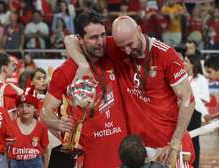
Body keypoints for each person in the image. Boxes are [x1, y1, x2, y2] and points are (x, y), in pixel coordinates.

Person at [65, 14, 195, 167]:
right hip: (138, 150)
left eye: (130, 44)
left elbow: (188, 99)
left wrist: (174, 143)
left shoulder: (165, 55)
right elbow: (70, 40)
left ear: (139, 30)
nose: (127, 51)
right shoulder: (117, 47)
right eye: (122, 47)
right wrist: (83, 65)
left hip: (167, 145)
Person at [40, 10, 128, 168]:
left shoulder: (112, 56)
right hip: (87, 160)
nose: (101, 41)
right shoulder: (65, 71)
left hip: (120, 158)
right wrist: (59, 125)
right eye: (94, 38)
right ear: (80, 39)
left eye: (103, 35)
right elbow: (45, 111)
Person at [8, 89, 49, 168]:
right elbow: (6, 150)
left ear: (35, 108)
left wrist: (45, 166)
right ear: (17, 109)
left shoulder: (42, 127)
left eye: (28, 106)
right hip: (15, 162)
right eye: (21, 106)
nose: (24, 109)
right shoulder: (10, 126)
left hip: (35, 162)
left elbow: (45, 151)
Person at [183, 55, 210, 168]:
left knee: (194, 139)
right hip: (184, 111)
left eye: (186, 61)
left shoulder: (201, 79)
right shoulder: (184, 78)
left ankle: (195, 164)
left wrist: (193, 98)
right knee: (185, 138)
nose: (184, 63)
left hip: (196, 112)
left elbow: (204, 98)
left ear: (193, 64)